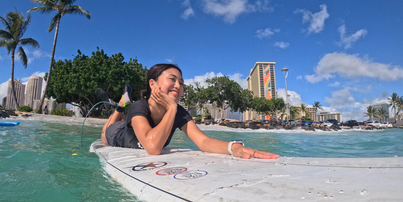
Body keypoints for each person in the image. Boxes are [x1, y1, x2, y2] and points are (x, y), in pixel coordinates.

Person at [101, 63, 279, 159]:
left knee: (128, 116)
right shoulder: (140, 106)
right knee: (105, 133)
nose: (178, 86)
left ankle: (122, 107)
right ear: (153, 84)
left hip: (134, 126)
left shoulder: (179, 112)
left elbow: (203, 141)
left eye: (181, 82)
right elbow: (153, 148)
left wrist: (234, 148)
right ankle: (119, 107)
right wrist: (171, 107)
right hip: (117, 135)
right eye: (172, 79)